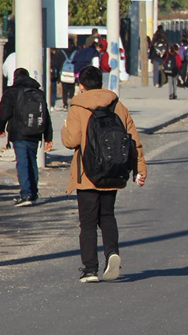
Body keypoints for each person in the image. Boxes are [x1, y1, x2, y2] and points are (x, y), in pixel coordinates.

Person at [62, 66, 147, 282]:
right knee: (107, 216)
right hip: (113, 172)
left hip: (87, 175)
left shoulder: (78, 107)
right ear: (102, 84)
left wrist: (65, 128)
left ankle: (90, 270)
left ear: (81, 85)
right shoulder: (118, 106)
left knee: (88, 222)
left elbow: (70, 141)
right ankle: (112, 253)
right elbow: (133, 141)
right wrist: (140, 170)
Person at [0, 67, 53, 206]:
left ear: (15, 78)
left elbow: (4, 112)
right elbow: (45, 115)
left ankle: (26, 194)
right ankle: (33, 193)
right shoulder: (38, 92)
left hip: (19, 132)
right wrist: (48, 137)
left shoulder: (11, 92)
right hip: (35, 132)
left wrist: (0, 127)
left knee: (22, 162)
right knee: (32, 161)